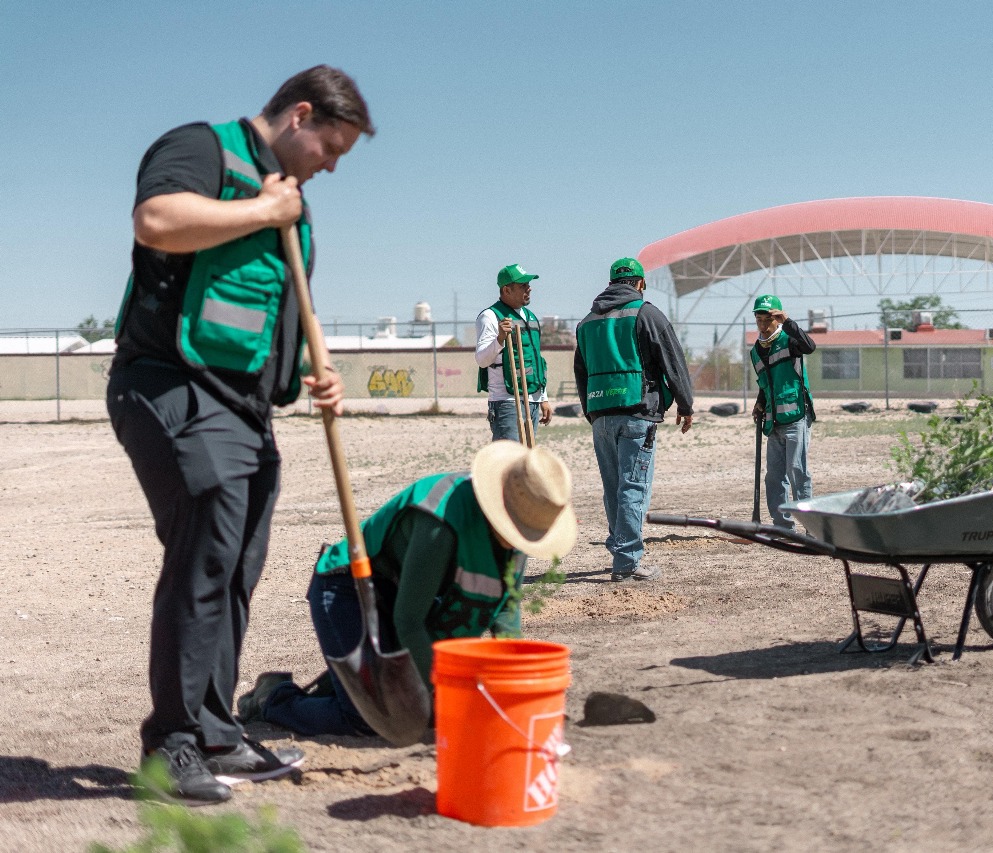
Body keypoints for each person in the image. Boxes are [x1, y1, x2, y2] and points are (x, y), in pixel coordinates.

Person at [105, 66, 374, 804]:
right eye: (331, 147)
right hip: (169, 384)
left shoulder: (290, 205)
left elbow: (273, 311)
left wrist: (311, 375)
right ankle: (173, 744)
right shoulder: (204, 150)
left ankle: (218, 729)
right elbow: (156, 220)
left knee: (236, 564)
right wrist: (261, 211)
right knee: (205, 546)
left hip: (243, 408)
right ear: (299, 115)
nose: (332, 165)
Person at [237, 443, 577, 737]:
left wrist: (513, 687)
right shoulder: (439, 522)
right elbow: (409, 620)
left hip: (401, 599)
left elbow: (506, 613)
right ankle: (273, 698)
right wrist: (446, 692)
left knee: (399, 700)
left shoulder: (519, 532)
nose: (521, 541)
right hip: (350, 592)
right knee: (372, 720)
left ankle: (353, 681)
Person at [574, 257, 694, 582]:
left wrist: (592, 412)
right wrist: (685, 404)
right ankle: (627, 562)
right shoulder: (645, 313)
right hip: (637, 412)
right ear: (640, 283)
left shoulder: (586, 322)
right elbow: (672, 359)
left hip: (600, 415)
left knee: (613, 487)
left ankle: (620, 549)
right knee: (633, 486)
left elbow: (581, 372)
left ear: (611, 283)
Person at [749, 295, 817, 531]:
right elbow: (765, 382)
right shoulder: (756, 351)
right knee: (774, 477)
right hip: (773, 421)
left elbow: (810, 346)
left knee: (798, 472)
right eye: (759, 318)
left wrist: (788, 321)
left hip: (796, 416)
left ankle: (812, 527)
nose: (763, 323)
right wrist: (760, 402)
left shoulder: (790, 340)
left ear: (776, 319)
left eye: (768, 318)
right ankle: (782, 526)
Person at [475, 264, 551, 441]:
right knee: (510, 460)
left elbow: (535, 360)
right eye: (523, 285)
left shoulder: (530, 316)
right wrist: (500, 338)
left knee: (526, 461)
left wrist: (543, 398)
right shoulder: (490, 316)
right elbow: (481, 360)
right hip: (507, 402)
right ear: (506, 290)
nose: (529, 288)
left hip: (533, 399)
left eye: (528, 284)